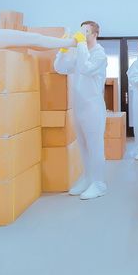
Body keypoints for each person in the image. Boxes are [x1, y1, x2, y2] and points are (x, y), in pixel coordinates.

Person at [54, 21, 108, 200]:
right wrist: (62, 51)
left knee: (95, 146)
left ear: (95, 34)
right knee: (83, 146)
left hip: (93, 107)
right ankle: (87, 179)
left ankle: (99, 183)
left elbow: (86, 68)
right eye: (81, 31)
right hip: (79, 106)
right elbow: (60, 68)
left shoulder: (100, 55)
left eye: (86, 31)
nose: (82, 34)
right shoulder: (80, 53)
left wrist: (82, 44)